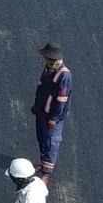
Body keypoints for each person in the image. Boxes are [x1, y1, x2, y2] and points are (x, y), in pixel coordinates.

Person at [32, 42, 72, 182]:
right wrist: (37, 105)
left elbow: (62, 99)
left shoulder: (64, 76)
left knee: (51, 141)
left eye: (48, 58)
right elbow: (41, 87)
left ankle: (47, 172)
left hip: (52, 116)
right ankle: (43, 164)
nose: (46, 61)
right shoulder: (48, 68)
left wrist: (54, 117)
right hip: (42, 111)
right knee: (42, 138)